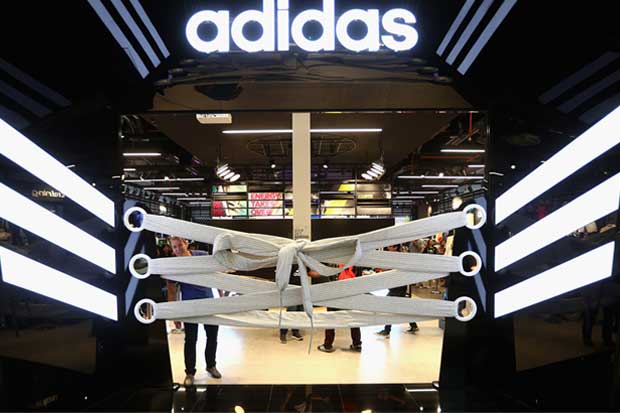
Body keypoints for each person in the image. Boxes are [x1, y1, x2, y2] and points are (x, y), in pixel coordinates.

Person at [166, 237, 221, 385]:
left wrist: (221, 294)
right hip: (190, 307)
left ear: (186, 243)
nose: (178, 249)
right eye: (174, 247)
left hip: (208, 303)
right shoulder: (174, 266)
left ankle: (211, 365)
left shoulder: (201, 255)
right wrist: (174, 314)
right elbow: (171, 291)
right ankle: (190, 372)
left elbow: (215, 275)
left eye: (179, 245)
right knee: (190, 340)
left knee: (212, 336)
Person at [375, 244, 419, 338]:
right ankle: (413, 325)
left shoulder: (398, 257)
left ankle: (387, 330)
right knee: (403, 307)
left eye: (391, 246)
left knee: (390, 307)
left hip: (398, 285)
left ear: (395, 247)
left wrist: (383, 269)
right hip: (396, 284)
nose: (388, 248)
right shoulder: (395, 256)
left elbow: (394, 269)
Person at [316, 266, 363, 353]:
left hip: (335, 296)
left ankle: (327, 345)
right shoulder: (356, 264)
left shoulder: (334, 263)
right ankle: (357, 344)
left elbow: (329, 280)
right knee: (354, 320)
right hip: (351, 296)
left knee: (331, 319)